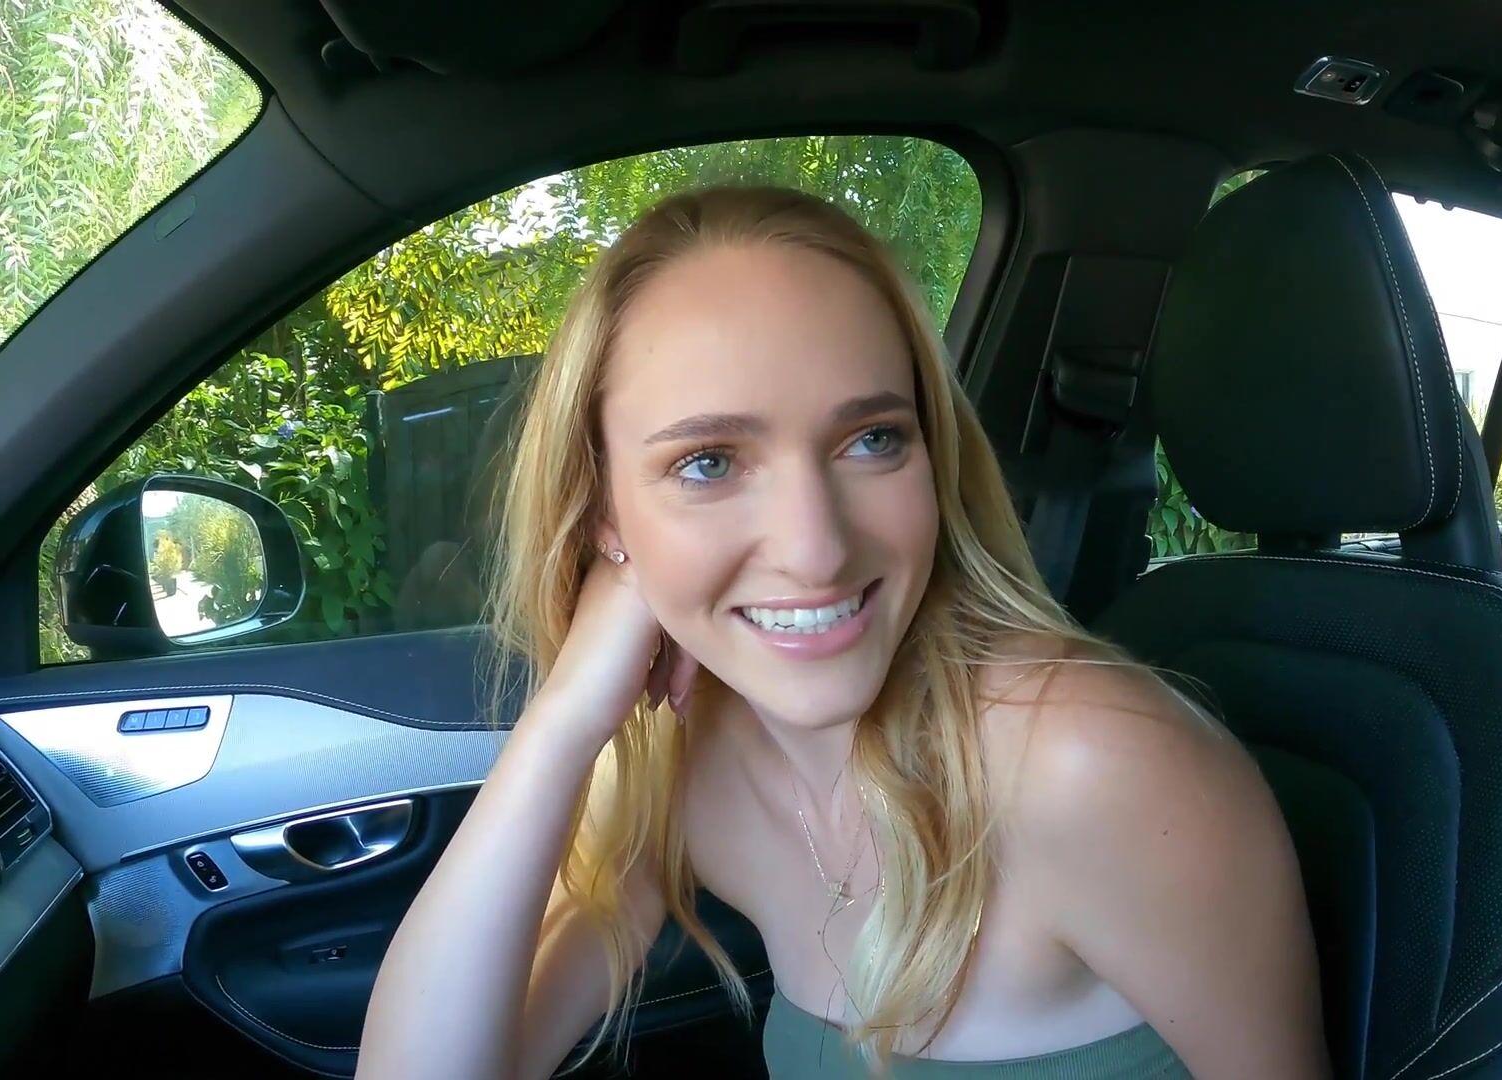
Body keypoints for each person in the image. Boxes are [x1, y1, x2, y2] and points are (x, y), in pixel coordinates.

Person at [356, 186, 1329, 1079]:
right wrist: (566, 718)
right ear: (606, 513)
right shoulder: (684, 761)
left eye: (872, 439)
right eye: (707, 463)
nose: (816, 549)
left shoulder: (1090, 762)